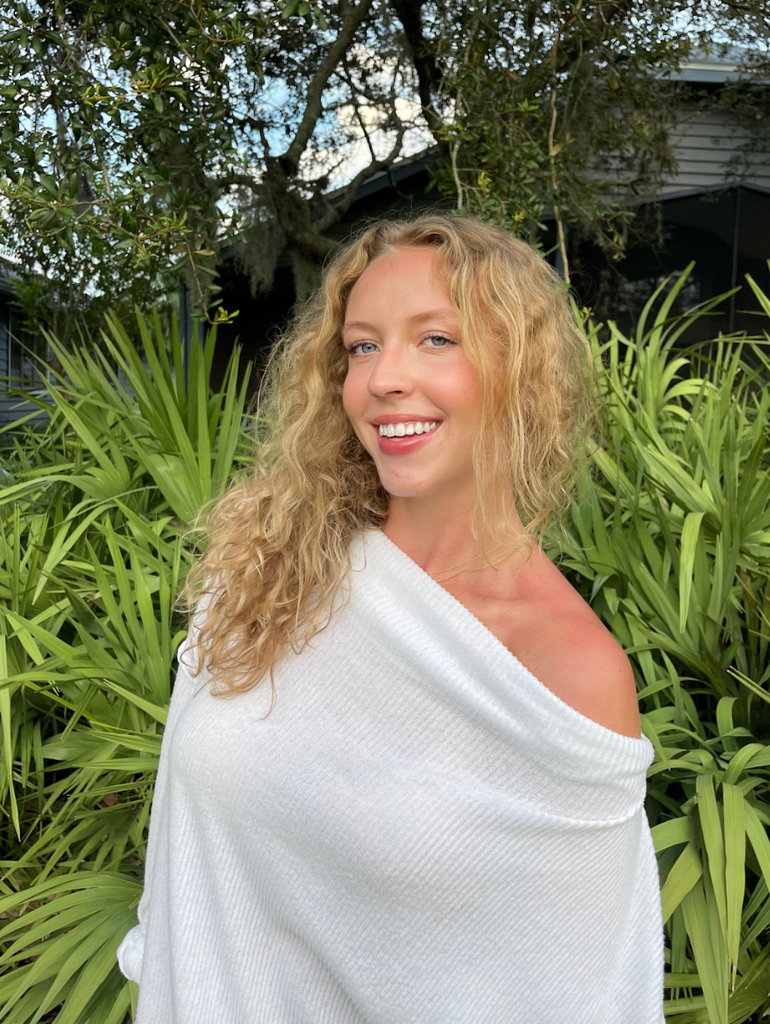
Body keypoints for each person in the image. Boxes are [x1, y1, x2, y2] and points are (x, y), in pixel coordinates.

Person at [117, 214, 664, 1023]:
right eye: (363, 346)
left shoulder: (565, 670)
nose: (382, 379)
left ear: (518, 368)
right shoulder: (266, 573)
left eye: (435, 339)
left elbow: (578, 991)